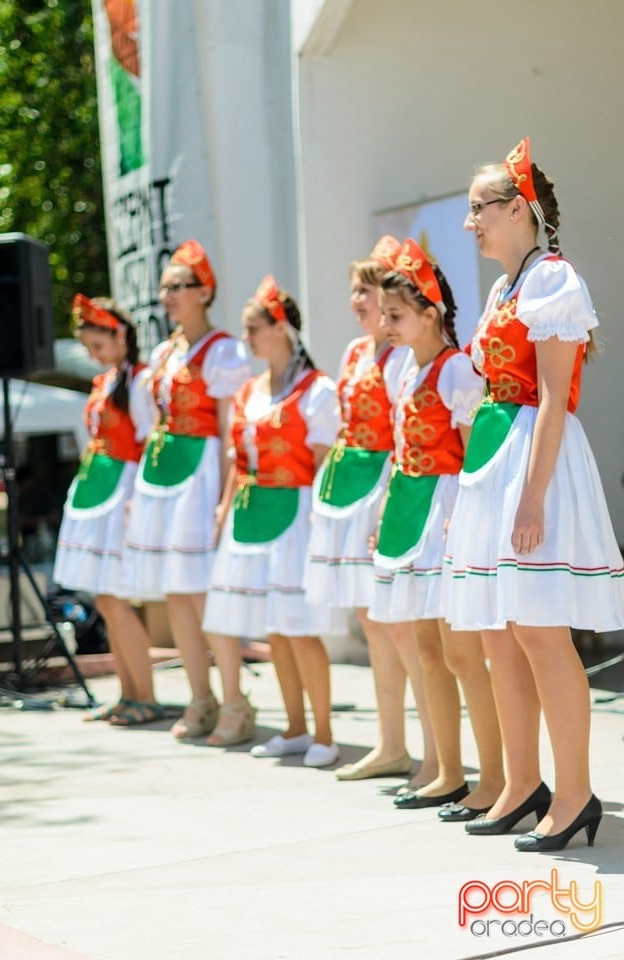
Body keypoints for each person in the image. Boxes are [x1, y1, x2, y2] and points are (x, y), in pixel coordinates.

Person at [443, 137, 624, 850]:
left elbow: (553, 399)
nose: (471, 223)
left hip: (533, 460)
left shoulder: (553, 279)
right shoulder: (505, 287)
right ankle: (522, 784)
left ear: (517, 209)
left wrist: (532, 497)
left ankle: (574, 793)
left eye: (478, 208)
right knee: (501, 633)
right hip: (496, 455)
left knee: (544, 634)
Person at [366, 238, 504, 815]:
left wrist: (469, 525)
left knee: (463, 652)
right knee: (426, 648)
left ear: (430, 315)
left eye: (395, 315)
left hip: (448, 512)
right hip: (412, 511)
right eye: (382, 314)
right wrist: (383, 512)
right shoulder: (402, 368)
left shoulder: (457, 372)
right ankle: (447, 769)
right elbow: (400, 450)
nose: (384, 324)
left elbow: (475, 457)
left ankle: (495, 777)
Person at [305, 236, 437, 783]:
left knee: (403, 625)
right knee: (373, 619)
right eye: (356, 291)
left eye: (369, 290)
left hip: (388, 484)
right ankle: (391, 743)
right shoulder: (355, 353)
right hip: (353, 487)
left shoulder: (402, 354)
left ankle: (437, 751)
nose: (360, 301)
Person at [203, 276, 341, 764]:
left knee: (300, 627)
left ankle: (324, 733)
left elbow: (326, 465)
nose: (246, 338)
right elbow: (237, 461)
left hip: (296, 512)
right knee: (276, 629)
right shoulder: (247, 392)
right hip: (253, 515)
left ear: (280, 327)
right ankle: (295, 726)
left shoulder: (318, 390)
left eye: (252, 327)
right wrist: (224, 507)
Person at [123, 240, 251, 739]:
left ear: (205, 292)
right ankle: (201, 697)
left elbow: (227, 432)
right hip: (164, 477)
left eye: (179, 286)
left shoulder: (223, 352)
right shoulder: (164, 352)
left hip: (200, 476)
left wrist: (224, 499)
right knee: (177, 592)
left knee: (204, 593)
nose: (169, 295)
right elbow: (154, 421)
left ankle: (237, 702)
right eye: (165, 287)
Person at [53, 295, 162, 724]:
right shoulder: (107, 382)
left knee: (117, 599)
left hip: (123, 489)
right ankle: (126, 693)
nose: (93, 356)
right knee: (105, 598)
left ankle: (145, 696)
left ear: (119, 334)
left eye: (97, 346)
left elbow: (151, 439)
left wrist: (141, 497)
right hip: (96, 488)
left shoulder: (140, 381)